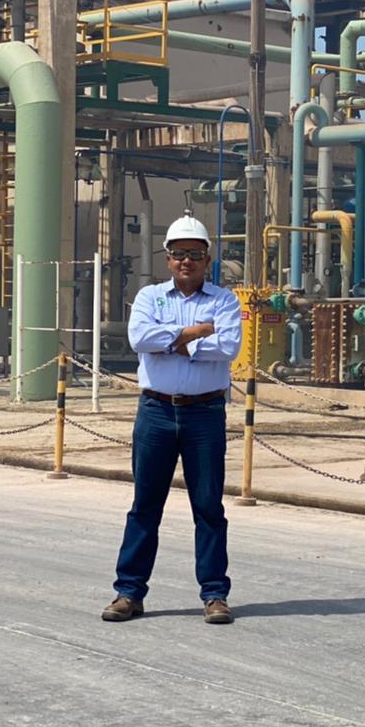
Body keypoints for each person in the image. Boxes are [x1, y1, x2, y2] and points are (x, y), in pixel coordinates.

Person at [102, 213, 242, 625]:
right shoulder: (149, 297)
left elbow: (229, 346)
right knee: (145, 505)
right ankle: (128, 592)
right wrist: (198, 332)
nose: (187, 262)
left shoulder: (224, 300)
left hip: (204, 414)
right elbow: (139, 339)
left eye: (195, 255)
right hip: (157, 411)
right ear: (167, 258)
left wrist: (173, 341)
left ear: (208, 259)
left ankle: (215, 594)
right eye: (179, 254)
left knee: (208, 506)